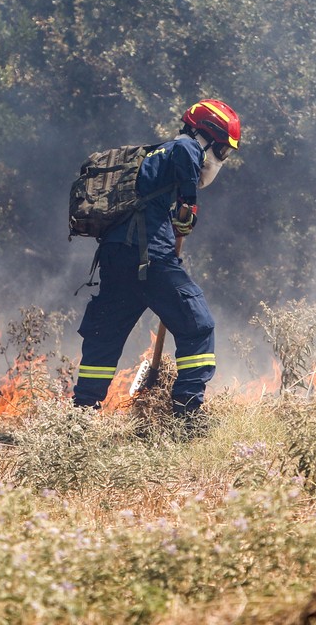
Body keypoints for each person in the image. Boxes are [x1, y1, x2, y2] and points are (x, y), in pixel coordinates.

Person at [73, 99, 240, 427]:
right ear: (207, 136)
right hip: (148, 255)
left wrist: (179, 214)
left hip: (116, 255)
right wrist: (188, 207)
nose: (221, 158)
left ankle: (81, 412)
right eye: (222, 149)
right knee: (198, 325)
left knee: (105, 336)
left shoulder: (153, 156)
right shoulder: (186, 147)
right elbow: (188, 161)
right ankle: (187, 415)